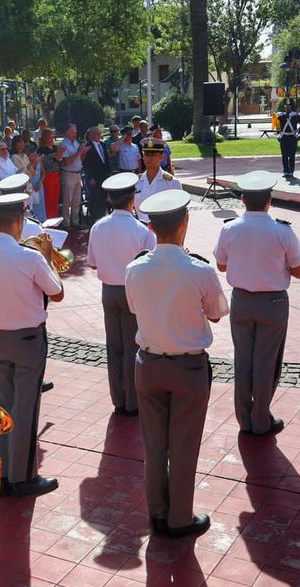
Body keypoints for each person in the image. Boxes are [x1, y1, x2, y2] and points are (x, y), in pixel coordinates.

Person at [126, 189, 228, 538]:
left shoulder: (135, 268)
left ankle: (157, 512)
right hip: (188, 368)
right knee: (184, 446)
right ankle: (180, 517)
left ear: (151, 227)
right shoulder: (198, 269)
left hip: (149, 364)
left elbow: (135, 308)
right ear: (184, 222)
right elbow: (217, 313)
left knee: (154, 445)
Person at [0, 193, 63, 498]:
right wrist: (48, 256)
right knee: (26, 408)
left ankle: (3, 471)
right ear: (20, 221)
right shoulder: (30, 257)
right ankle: (23, 477)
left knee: (3, 407)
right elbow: (57, 292)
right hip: (27, 339)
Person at [215, 171, 300, 436]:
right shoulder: (282, 230)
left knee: (243, 359)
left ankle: (244, 418)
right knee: (268, 361)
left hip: (242, 300)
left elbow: (221, 265)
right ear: (270, 200)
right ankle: (261, 418)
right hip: (273, 302)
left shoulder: (230, 228)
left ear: (243, 199)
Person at [88, 173, 155, 416]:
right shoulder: (141, 230)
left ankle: (118, 397)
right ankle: (132, 400)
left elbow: (92, 263)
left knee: (114, 346)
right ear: (132, 200)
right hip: (132, 291)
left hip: (108, 291)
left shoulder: (98, 226)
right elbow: (151, 267)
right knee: (132, 346)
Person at [133, 139, 182, 221]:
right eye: (147, 154)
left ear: (162, 156)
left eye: (153, 155)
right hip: (140, 226)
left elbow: (180, 213)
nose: (149, 158)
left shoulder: (172, 182)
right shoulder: (136, 182)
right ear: (143, 157)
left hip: (163, 227)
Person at [56, 125, 85, 228]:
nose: (74, 134)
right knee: (67, 200)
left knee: (77, 200)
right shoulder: (64, 144)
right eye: (72, 132)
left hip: (78, 173)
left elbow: (80, 158)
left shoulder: (76, 143)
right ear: (67, 132)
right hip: (68, 174)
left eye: (75, 132)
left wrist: (83, 152)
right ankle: (66, 223)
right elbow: (66, 162)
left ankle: (75, 222)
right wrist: (79, 152)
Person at [82, 126, 111, 226]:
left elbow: (105, 160)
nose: (98, 135)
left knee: (103, 200)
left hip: (103, 177)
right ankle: (94, 224)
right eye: (95, 133)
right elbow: (86, 164)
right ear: (90, 135)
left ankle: (103, 222)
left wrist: (108, 174)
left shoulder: (102, 144)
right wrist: (90, 177)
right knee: (95, 201)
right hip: (94, 178)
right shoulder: (87, 146)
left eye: (99, 133)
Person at [278, 101, 300, 178]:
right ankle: (285, 171)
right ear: (284, 107)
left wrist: (298, 131)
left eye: (289, 107)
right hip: (284, 137)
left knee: (292, 155)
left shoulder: (296, 116)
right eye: (286, 107)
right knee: (284, 155)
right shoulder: (281, 115)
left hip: (292, 137)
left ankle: (291, 171)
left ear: (291, 107)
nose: (287, 108)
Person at [37, 130, 61, 220]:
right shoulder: (41, 149)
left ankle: (55, 220)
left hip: (56, 175)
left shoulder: (55, 148)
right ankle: (49, 221)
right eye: (50, 137)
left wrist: (59, 156)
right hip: (47, 176)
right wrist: (56, 158)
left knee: (55, 200)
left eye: (52, 137)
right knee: (48, 200)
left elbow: (60, 162)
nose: (52, 139)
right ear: (45, 138)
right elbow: (45, 163)